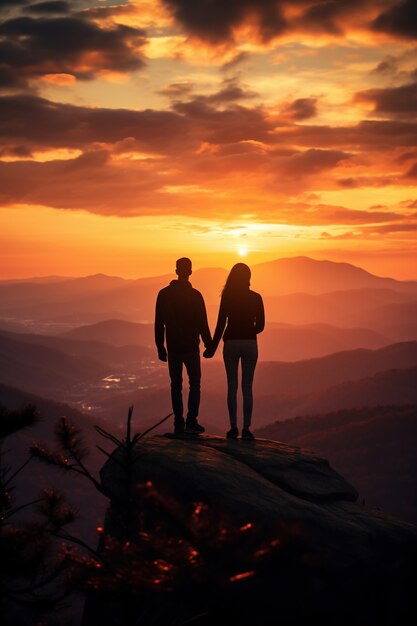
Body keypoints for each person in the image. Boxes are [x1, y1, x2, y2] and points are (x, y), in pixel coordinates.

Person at [204, 263, 264, 440]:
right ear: (249, 277)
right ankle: (246, 429)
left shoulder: (228, 297)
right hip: (250, 344)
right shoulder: (256, 298)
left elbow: (221, 324)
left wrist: (212, 348)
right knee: (247, 387)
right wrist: (248, 330)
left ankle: (233, 428)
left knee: (232, 386)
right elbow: (260, 326)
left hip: (230, 343)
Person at [155, 257, 212, 434]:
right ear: (190, 272)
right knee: (195, 383)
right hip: (191, 348)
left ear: (176, 270)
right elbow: (203, 323)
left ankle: (178, 423)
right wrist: (209, 345)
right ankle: (191, 420)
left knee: (176, 385)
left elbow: (159, 323)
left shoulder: (164, 294)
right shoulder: (195, 296)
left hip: (173, 348)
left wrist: (160, 346)